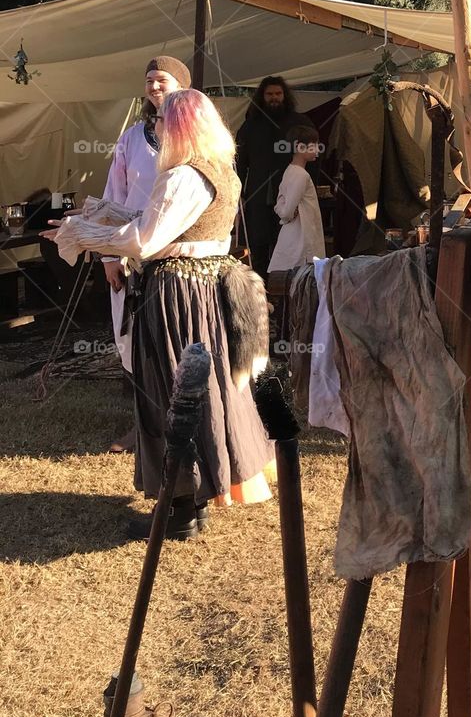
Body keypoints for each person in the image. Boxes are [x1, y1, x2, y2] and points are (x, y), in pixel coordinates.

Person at [45, 89, 273, 541]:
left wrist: (80, 233)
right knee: (202, 392)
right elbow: (167, 223)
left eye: (166, 124)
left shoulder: (183, 177)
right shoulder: (221, 172)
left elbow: (143, 241)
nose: (160, 131)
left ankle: (181, 509)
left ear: (182, 128)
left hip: (175, 297)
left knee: (170, 393)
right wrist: (104, 212)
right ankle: (195, 500)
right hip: (203, 293)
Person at [102, 55, 190, 453]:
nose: (154, 86)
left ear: (182, 87)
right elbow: (113, 198)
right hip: (133, 253)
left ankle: (185, 428)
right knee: (134, 342)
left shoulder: (195, 137)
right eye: (149, 80)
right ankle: (144, 427)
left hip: (182, 258)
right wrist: (108, 257)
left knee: (178, 342)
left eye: (162, 80)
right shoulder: (131, 139)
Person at [236, 76, 313, 279]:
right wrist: (239, 194)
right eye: (269, 94)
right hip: (258, 194)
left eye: (278, 94)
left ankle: (287, 294)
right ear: (262, 97)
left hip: (291, 195)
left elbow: (313, 159)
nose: (274, 98)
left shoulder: (300, 123)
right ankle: (261, 294)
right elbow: (239, 162)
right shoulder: (250, 126)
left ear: (284, 95)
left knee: (289, 247)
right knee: (258, 246)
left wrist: (304, 196)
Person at [269, 124, 326, 272]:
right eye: (313, 146)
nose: (317, 150)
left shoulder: (291, 170)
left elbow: (280, 202)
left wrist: (284, 214)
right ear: (300, 148)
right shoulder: (301, 175)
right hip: (301, 233)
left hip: (297, 229)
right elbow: (287, 209)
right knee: (301, 272)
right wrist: (285, 216)